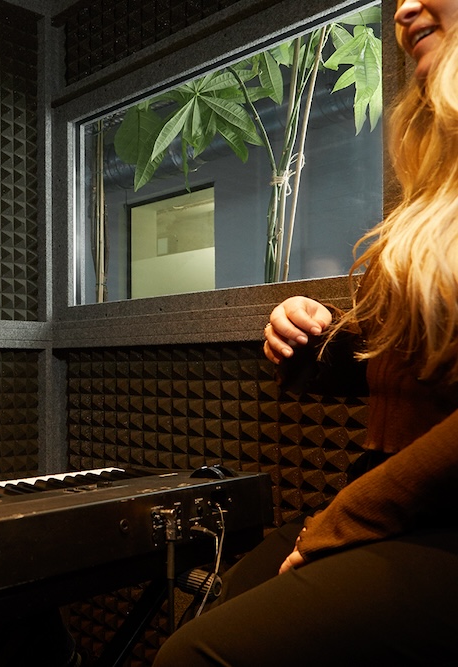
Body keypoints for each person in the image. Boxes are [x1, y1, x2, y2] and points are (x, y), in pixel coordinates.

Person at [154, 1, 458, 664]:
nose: (404, 8)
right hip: (394, 506)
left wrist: (345, 520)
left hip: (436, 519)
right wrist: (315, 344)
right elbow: (421, 362)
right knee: (218, 603)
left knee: (194, 655)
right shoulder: (435, 180)